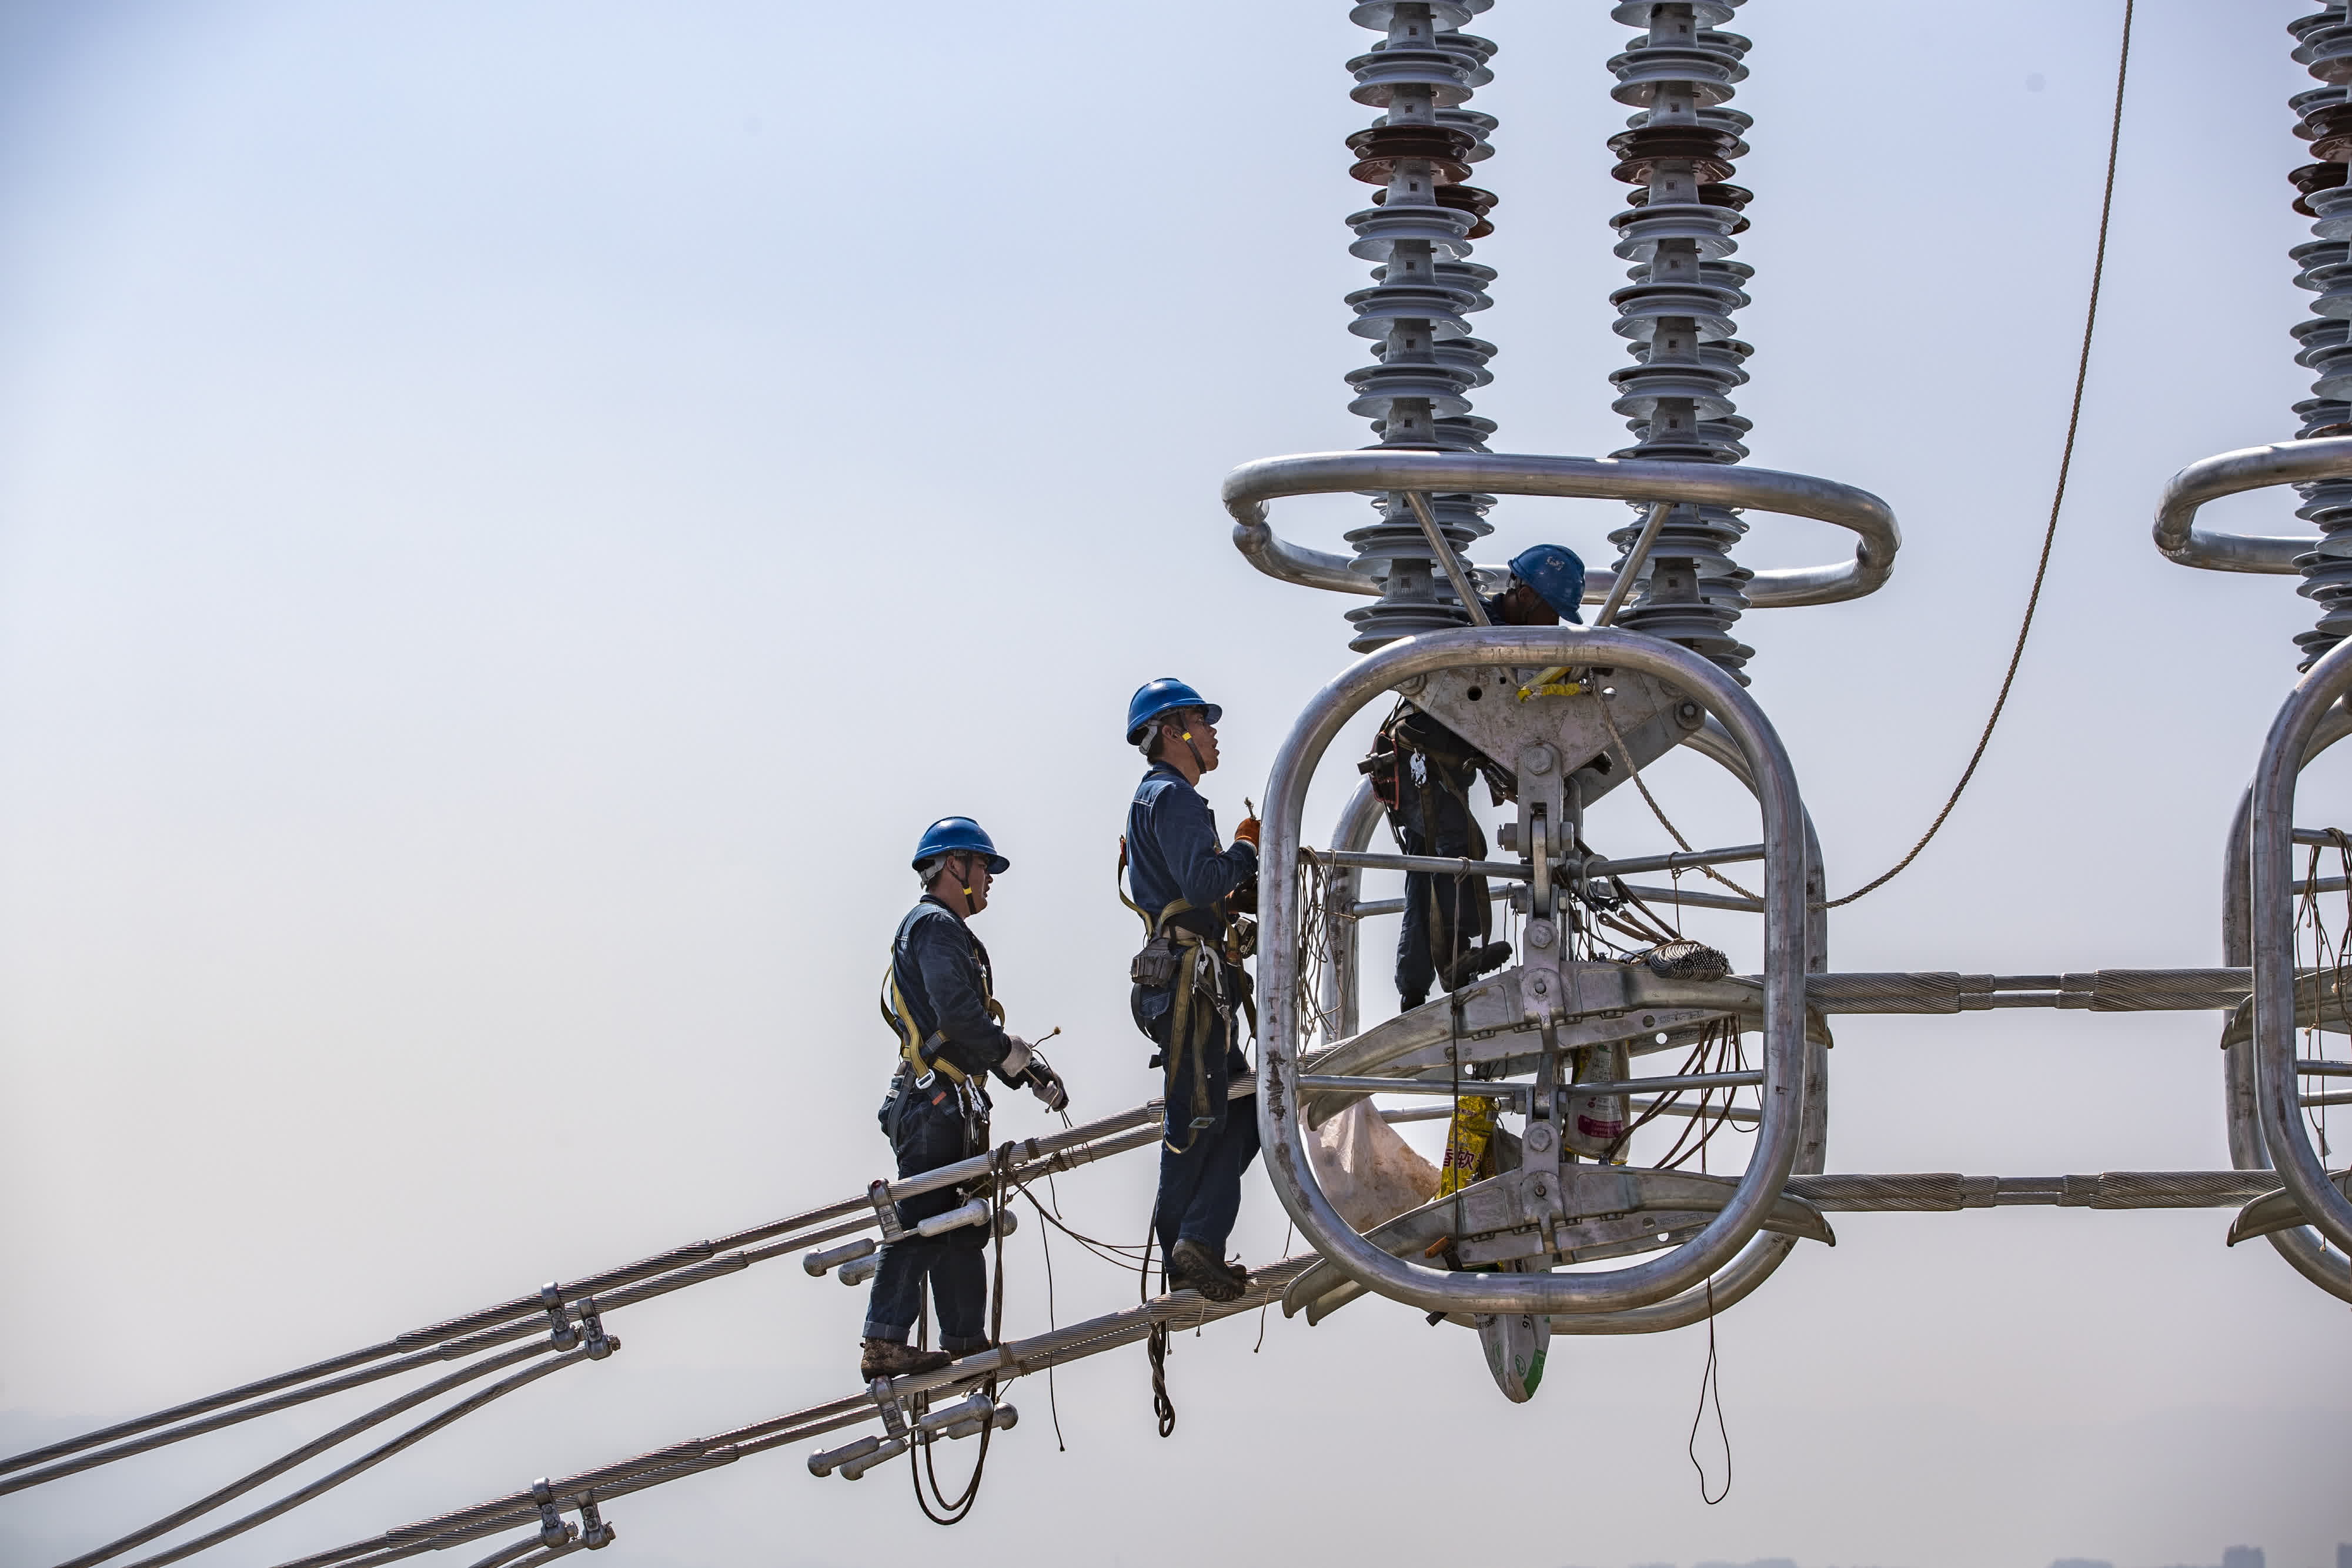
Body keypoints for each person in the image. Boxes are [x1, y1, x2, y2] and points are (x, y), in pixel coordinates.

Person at [861, 816, 1068, 1382]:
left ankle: (963, 1339)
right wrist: (1010, 1054)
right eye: (984, 867)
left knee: (959, 1222)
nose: (990, 879)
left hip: (952, 1099)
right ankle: (883, 1339)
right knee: (925, 1214)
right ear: (955, 865)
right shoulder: (934, 926)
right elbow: (958, 1014)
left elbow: (962, 1028)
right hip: (934, 1104)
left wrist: (1024, 1072)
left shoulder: (941, 929)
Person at [1368, 544, 1588, 1009]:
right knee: (1454, 846)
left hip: (1435, 765)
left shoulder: (1502, 635)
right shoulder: (1474, 626)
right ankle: (1455, 958)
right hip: (1419, 760)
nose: (1553, 624)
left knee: (1428, 863)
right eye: (1552, 611)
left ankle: (1414, 985)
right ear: (1527, 595)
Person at [1121, 678, 1262, 1303]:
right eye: (1202, 723)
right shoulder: (1171, 797)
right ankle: (1192, 1244)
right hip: (1188, 985)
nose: (1212, 734)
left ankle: (1192, 1244)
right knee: (1203, 1121)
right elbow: (1203, 881)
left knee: (1228, 1114)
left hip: (1191, 979)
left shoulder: (1156, 798)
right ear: (1175, 731)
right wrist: (1245, 851)